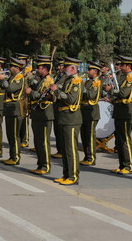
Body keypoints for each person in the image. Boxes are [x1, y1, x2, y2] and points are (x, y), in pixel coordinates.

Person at [51, 57, 82, 185]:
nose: (64, 69)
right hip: (64, 117)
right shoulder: (67, 80)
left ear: (73, 68)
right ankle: (66, 174)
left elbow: (71, 99)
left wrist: (57, 91)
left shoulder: (76, 81)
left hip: (71, 118)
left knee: (71, 149)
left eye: (66, 67)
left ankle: (73, 176)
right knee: (65, 149)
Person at [104, 55, 132, 175]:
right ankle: (122, 165)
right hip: (118, 110)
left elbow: (123, 93)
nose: (119, 67)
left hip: (125, 111)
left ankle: (128, 166)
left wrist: (110, 90)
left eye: (122, 65)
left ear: (128, 66)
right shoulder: (120, 76)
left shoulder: (130, 77)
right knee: (119, 140)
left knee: (125, 140)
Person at [25, 57, 55, 175]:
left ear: (45, 69)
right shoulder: (41, 78)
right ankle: (40, 164)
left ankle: (46, 165)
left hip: (44, 114)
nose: (37, 69)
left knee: (43, 142)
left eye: (39, 68)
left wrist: (30, 92)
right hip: (37, 113)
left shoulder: (48, 80)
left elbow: (42, 95)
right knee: (37, 141)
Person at [1, 57, 26, 165]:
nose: (9, 68)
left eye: (11, 66)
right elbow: (4, 87)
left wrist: (2, 79)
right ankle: (12, 156)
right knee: (10, 134)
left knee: (14, 135)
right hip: (9, 108)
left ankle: (15, 157)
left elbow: (10, 88)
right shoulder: (12, 76)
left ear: (17, 68)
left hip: (15, 109)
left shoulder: (19, 77)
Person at [79, 61, 102, 166]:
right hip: (84, 110)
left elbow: (91, 95)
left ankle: (91, 157)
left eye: (90, 70)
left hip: (92, 111)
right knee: (84, 135)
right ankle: (86, 156)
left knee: (90, 136)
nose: (88, 71)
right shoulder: (88, 82)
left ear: (95, 71)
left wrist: (82, 89)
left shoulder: (97, 82)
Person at [16, 53, 31, 148]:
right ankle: (19, 138)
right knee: (19, 118)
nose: (21, 62)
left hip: (26, 97)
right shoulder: (18, 72)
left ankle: (25, 139)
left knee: (25, 118)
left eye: (23, 61)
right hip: (19, 97)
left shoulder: (28, 72)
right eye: (19, 60)